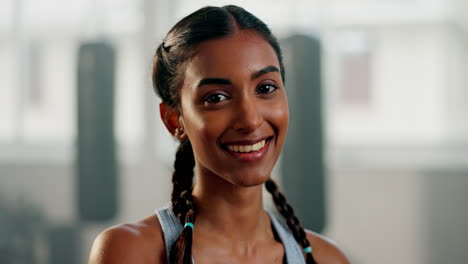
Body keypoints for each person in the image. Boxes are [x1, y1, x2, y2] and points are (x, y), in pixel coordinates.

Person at [88, 5, 349, 264]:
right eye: (216, 97)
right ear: (173, 119)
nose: (250, 119)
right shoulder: (130, 252)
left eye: (266, 87)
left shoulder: (327, 258)